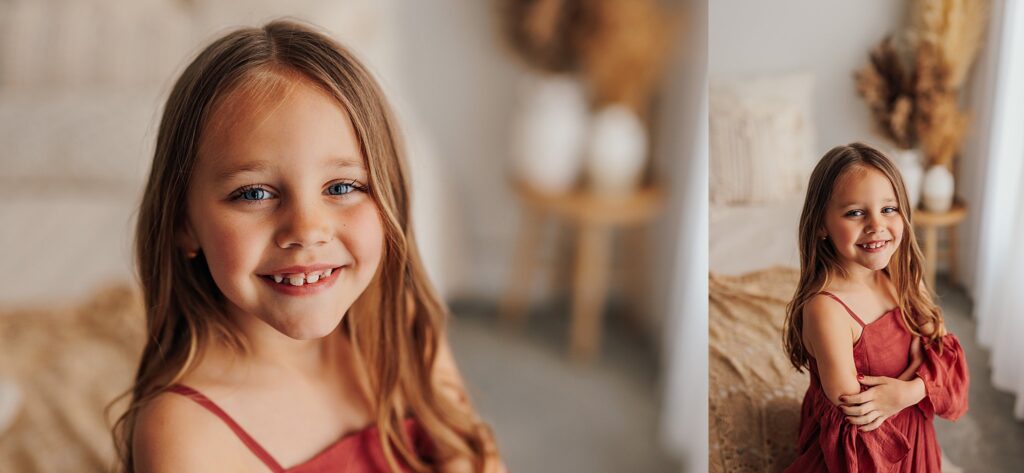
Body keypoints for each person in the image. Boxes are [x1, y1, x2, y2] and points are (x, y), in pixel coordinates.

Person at [111, 19, 503, 473]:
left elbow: (470, 449)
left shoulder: (401, 325)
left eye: (341, 187)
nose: (307, 229)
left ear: (388, 195)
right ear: (183, 223)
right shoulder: (183, 435)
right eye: (254, 193)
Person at [782, 143, 968, 472]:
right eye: (855, 212)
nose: (876, 225)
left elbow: (944, 351)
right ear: (821, 224)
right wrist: (921, 378)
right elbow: (856, 417)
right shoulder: (826, 309)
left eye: (888, 209)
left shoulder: (900, 275)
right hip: (865, 455)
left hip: (913, 436)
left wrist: (911, 391)